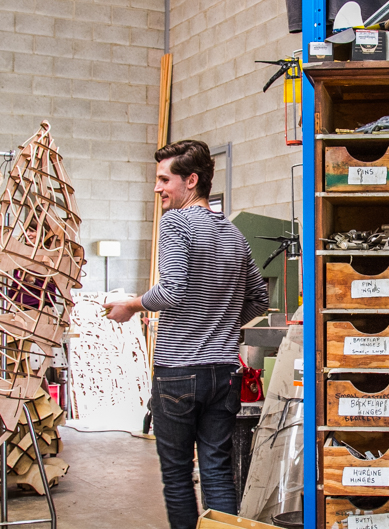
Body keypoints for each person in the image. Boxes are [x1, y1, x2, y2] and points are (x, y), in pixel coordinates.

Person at [103, 140, 269, 529]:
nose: (158, 188)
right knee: (215, 470)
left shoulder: (176, 223)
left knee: (177, 475)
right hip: (225, 372)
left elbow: (172, 290)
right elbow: (259, 299)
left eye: (165, 179)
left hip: (179, 372)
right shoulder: (233, 233)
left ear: (191, 180)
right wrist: (222, 323)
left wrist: (131, 305)